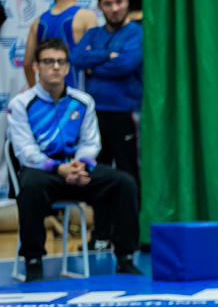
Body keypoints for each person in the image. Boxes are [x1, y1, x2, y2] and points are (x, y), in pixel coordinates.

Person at [7, 38, 141, 282]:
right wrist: (59, 168)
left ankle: (125, 259)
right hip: (44, 172)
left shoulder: (83, 101)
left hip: (78, 170)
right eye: (48, 61)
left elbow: (91, 143)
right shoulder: (21, 104)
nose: (55, 67)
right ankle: (34, 262)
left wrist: (80, 165)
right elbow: (25, 151)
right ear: (36, 67)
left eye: (61, 62)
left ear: (68, 67)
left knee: (124, 182)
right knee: (30, 186)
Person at [70, 0, 143, 251]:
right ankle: (100, 236)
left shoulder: (137, 33)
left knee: (128, 175)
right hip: (95, 115)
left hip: (125, 113)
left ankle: (128, 239)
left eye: (119, 2)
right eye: (108, 4)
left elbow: (126, 64)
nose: (115, 8)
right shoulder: (93, 34)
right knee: (96, 174)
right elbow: (77, 58)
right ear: (99, 7)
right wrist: (107, 55)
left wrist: (96, 64)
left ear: (127, 2)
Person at [23, 0, 98, 90]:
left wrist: (34, 90)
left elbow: (27, 63)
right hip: (77, 94)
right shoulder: (87, 16)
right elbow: (94, 58)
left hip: (47, 94)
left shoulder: (38, 21)